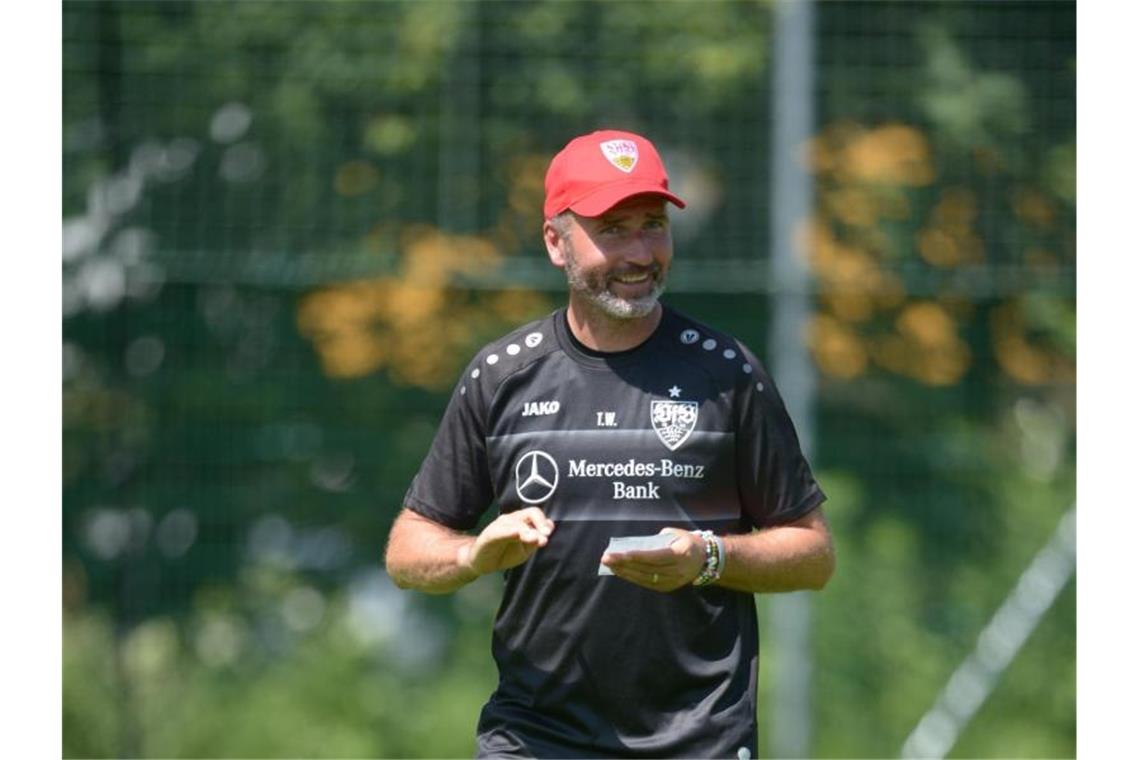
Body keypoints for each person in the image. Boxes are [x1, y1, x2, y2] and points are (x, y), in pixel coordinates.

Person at [385, 129, 835, 759]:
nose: (639, 252)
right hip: (537, 741)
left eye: (652, 225)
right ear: (555, 243)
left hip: (698, 741)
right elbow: (409, 549)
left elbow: (813, 553)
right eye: (613, 229)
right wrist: (474, 558)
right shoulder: (502, 374)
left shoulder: (727, 373)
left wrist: (708, 558)